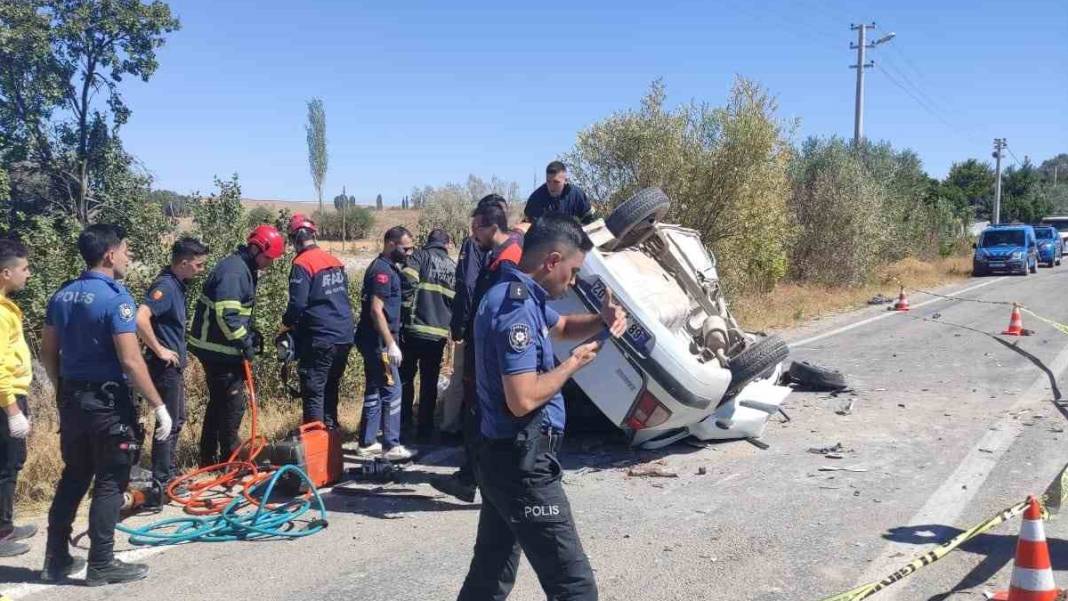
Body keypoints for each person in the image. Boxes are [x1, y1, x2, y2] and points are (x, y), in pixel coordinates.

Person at [457, 213, 627, 600]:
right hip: (522, 465)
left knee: (490, 575)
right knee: (574, 587)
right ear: (552, 260)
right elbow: (523, 399)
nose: (573, 281)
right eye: (572, 271)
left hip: (504, 458)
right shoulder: (515, 309)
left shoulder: (516, 296)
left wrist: (602, 320)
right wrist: (573, 364)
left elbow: (564, 327)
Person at [41, 224, 173, 586]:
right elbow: (131, 361)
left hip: (73, 400)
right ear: (109, 254)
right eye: (126, 250)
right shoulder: (117, 299)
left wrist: (61, 390)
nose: (129, 257)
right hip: (108, 405)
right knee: (110, 482)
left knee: (73, 476)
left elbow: (48, 352)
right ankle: (101, 563)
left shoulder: (62, 295)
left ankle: (54, 559)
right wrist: (159, 405)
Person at [432, 199, 522, 502]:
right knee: (478, 415)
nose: (473, 236)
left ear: (492, 227)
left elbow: (509, 314)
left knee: (480, 413)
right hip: (486, 350)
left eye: (476, 229)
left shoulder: (507, 261)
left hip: (490, 354)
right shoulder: (498, 256)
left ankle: (483, 481)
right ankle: (472, 477)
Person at [189, 225, 284, 467]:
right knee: (232, 404)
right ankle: (229, 459)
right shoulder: (234, 271)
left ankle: (209, 460)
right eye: (268, 258)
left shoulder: (243, 268)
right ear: (256, 249)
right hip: (218, 351)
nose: (269, 264)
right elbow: (227, 314)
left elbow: (236, 313)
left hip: (221, 348)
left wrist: (251, 334)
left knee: (218, 404)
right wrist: (245, 341)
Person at [135, 237, 208, 492]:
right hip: (163, 368)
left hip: (173, 368)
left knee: (177, 420)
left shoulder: (177, 285)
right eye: (198, 265)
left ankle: (168, 473)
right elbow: (140, 318)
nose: (201, 270)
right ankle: (162, 480)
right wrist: (160, 350)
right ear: (184, 262)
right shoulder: (165, 287)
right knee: (168, 422)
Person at [280, 214, 354, 429]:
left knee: (313, 390)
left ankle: (315, 447)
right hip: (344, 335)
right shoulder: (334, 261)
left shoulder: (302, 263)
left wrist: (286, 325)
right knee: (331, 386)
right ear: (314, 234)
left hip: (321, 337)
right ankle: (331, 438)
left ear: (294, 239)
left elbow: (298, 304)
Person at [355, 226, 415, 462]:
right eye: (406, 248)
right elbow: (376, 310)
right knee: (393, 389)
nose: (409, 253)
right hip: (380, 341)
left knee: (374, 389)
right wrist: (391, 344)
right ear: (391, 243)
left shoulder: (382, 267)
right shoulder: (383, 272)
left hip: (371, 340)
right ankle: (391, 444)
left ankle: (367, 441)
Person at [399, 228, 456, 441]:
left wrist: (402, 313)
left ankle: (404, 425)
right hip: (438, 334)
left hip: (414, 329)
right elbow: (455, 301)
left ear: (428, 242)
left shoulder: (420, 256)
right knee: (429, 382)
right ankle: (425, 430)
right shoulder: (452, 266)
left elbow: (407, 283)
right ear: (446, 244)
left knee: (405, 379)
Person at [0, 239, 33, 558]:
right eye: (24, 269)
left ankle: (5, 523)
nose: (29, 274)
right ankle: (1, 532)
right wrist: (12, 410)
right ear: (6, 272)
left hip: (11, 395)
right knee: (6, 465)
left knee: (11, 463)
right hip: (4, 399)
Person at [524, 161, 597, 224]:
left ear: (566, 180)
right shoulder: (536, 199)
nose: (551, 187)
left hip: (571, 238)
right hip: (545, 239)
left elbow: (590, 221)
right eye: (548, 181)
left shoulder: (577, 195)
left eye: (556, 182)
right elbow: (528, 227)